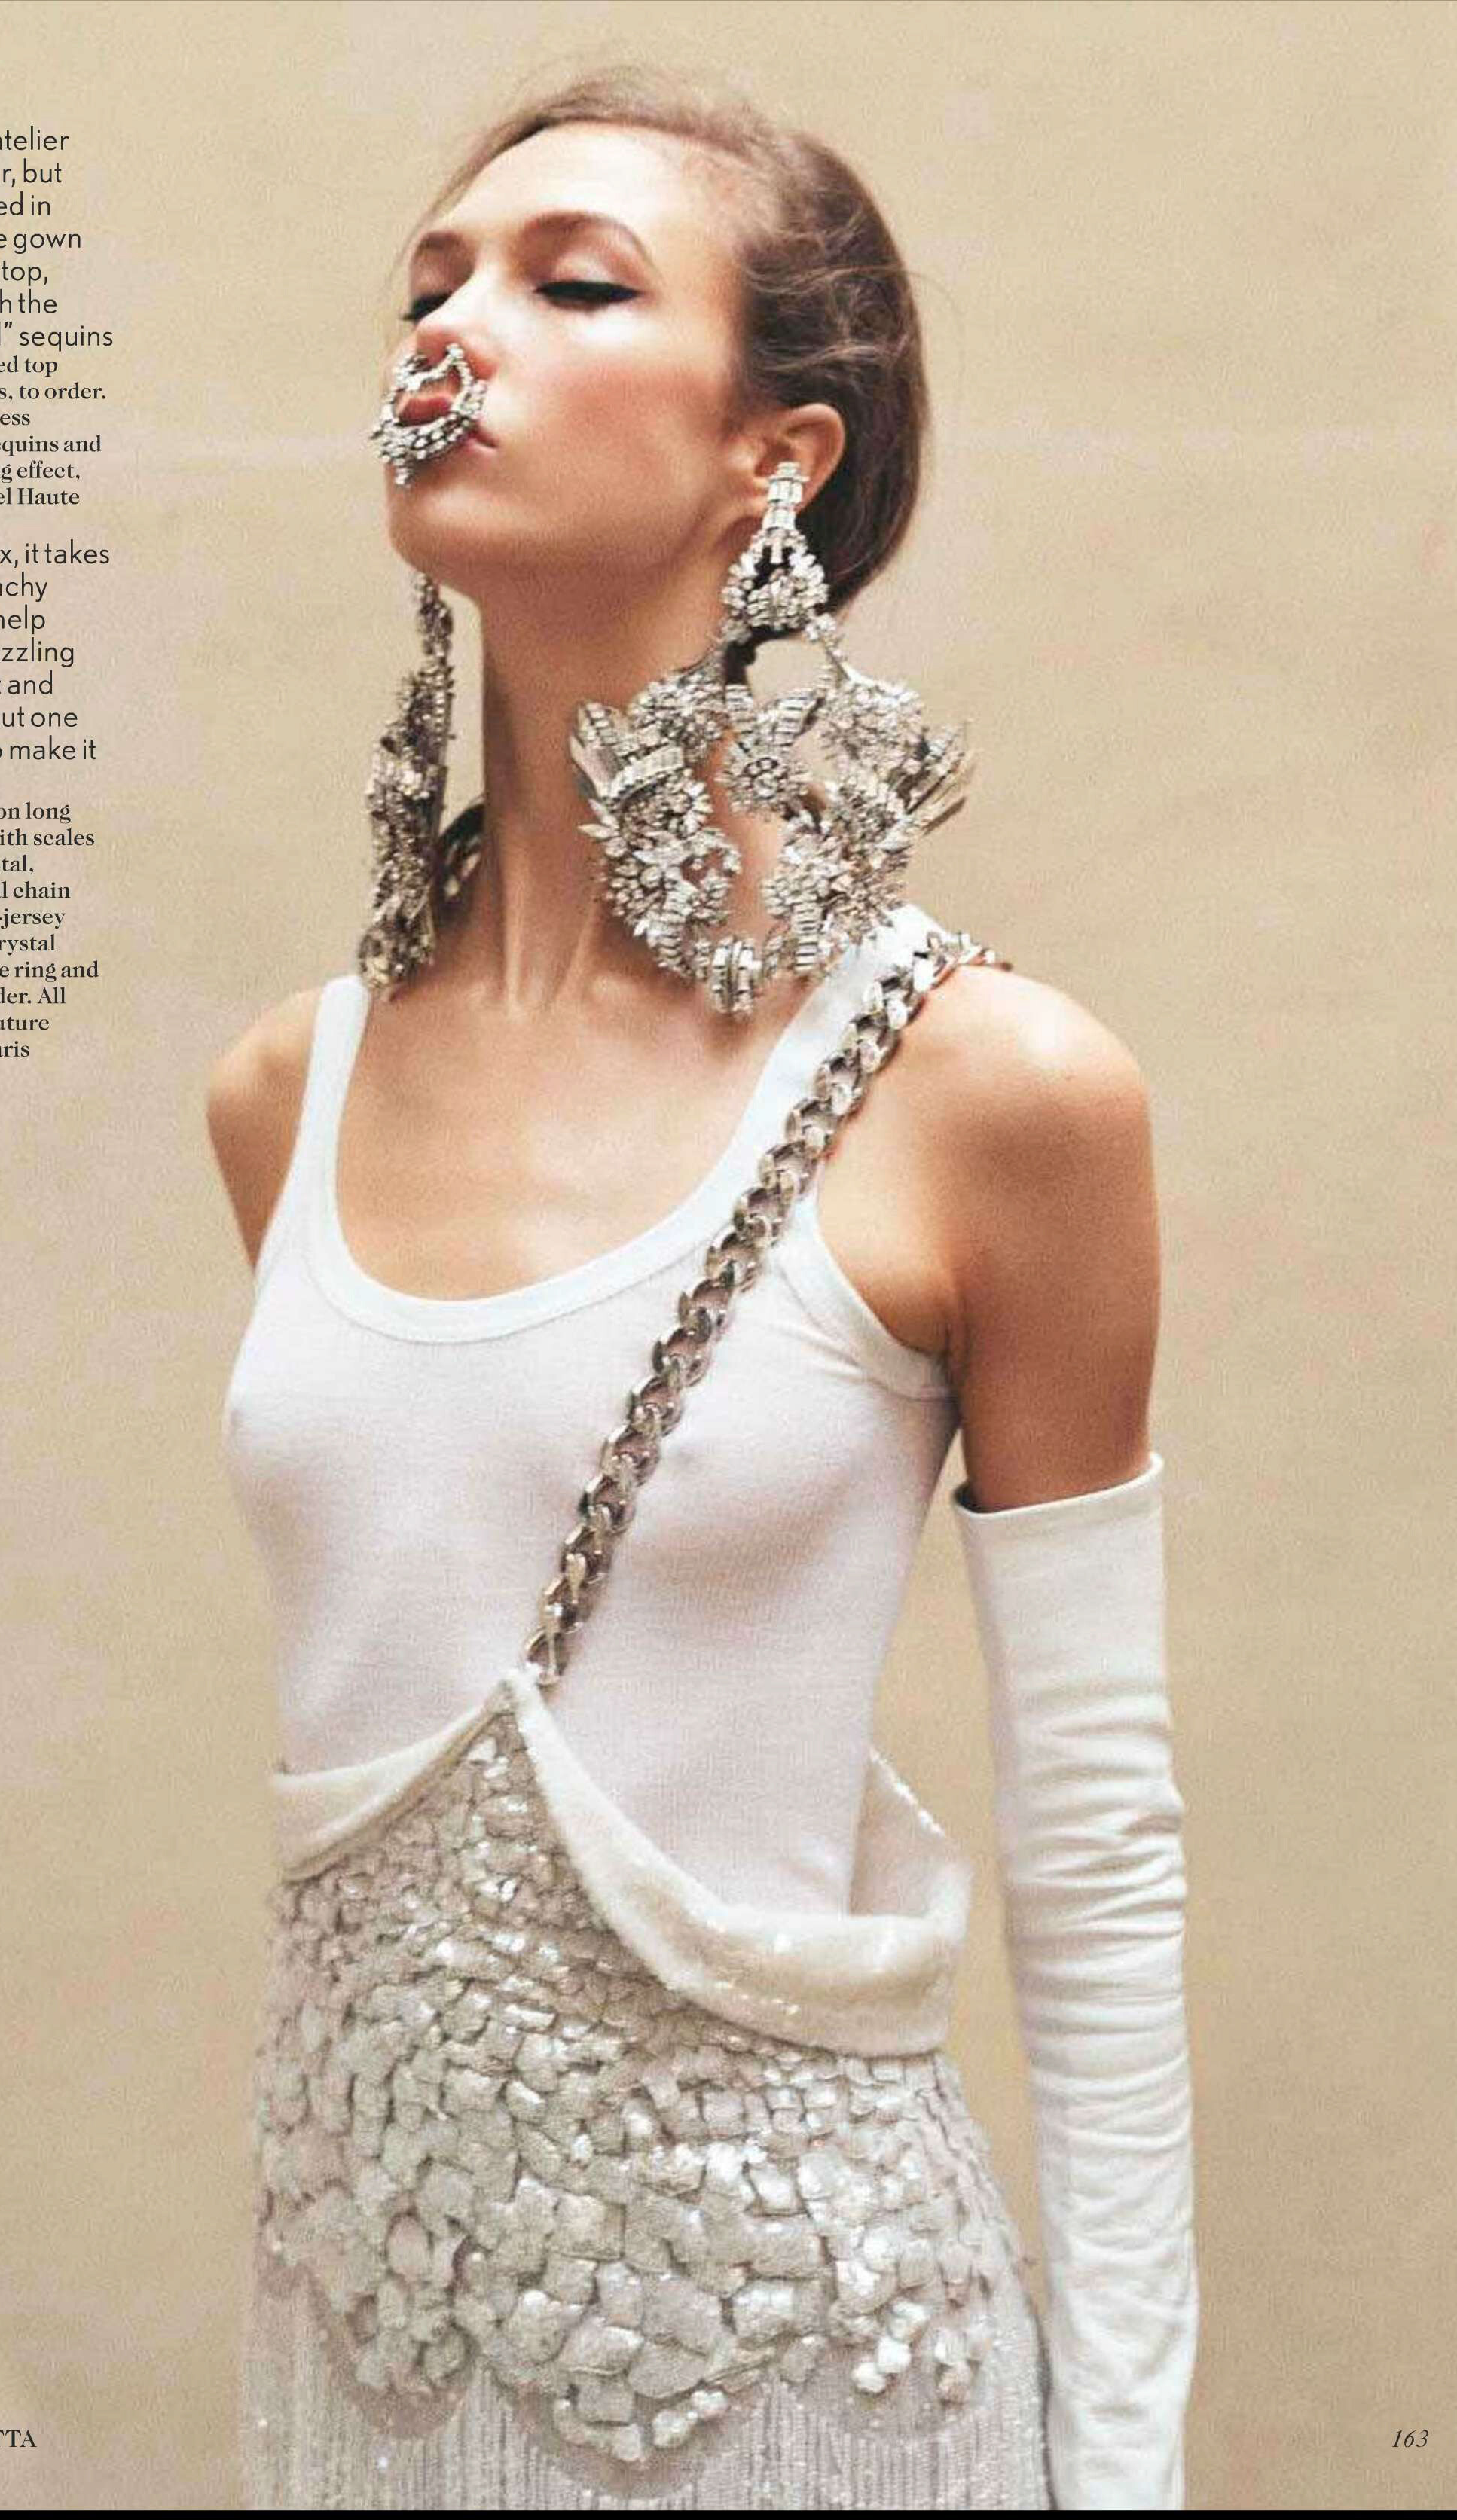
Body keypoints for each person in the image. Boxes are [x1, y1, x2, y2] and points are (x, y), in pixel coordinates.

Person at [209, 65, 1197, 2512]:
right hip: (359, 2388)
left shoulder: (989, 1093)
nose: (453, 334)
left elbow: (1097, 1858)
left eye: (574, 285)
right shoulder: (284, 1095)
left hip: (814, 2395)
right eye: (429, 285)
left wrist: (1128, 2477)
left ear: (779, 454)